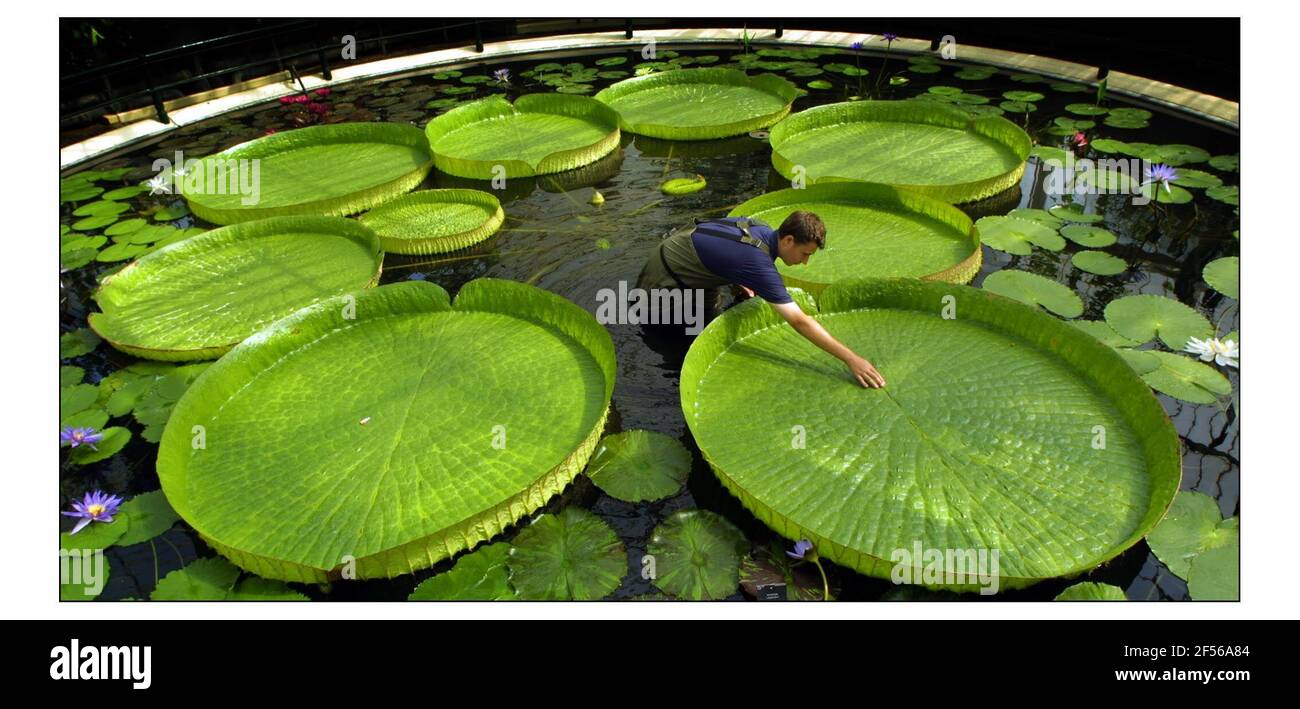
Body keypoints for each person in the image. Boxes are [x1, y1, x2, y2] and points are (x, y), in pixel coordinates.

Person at [635, 210, 886, 389]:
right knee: (672, 341)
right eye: (805, 253)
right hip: (666, 275)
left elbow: (724, 242)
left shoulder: (763, 229)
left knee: (709, 324)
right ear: (788, 240)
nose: (805, 262)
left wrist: (739, 279)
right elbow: (799, 321)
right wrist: (851, 359)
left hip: (693, 262)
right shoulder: (757, 263)